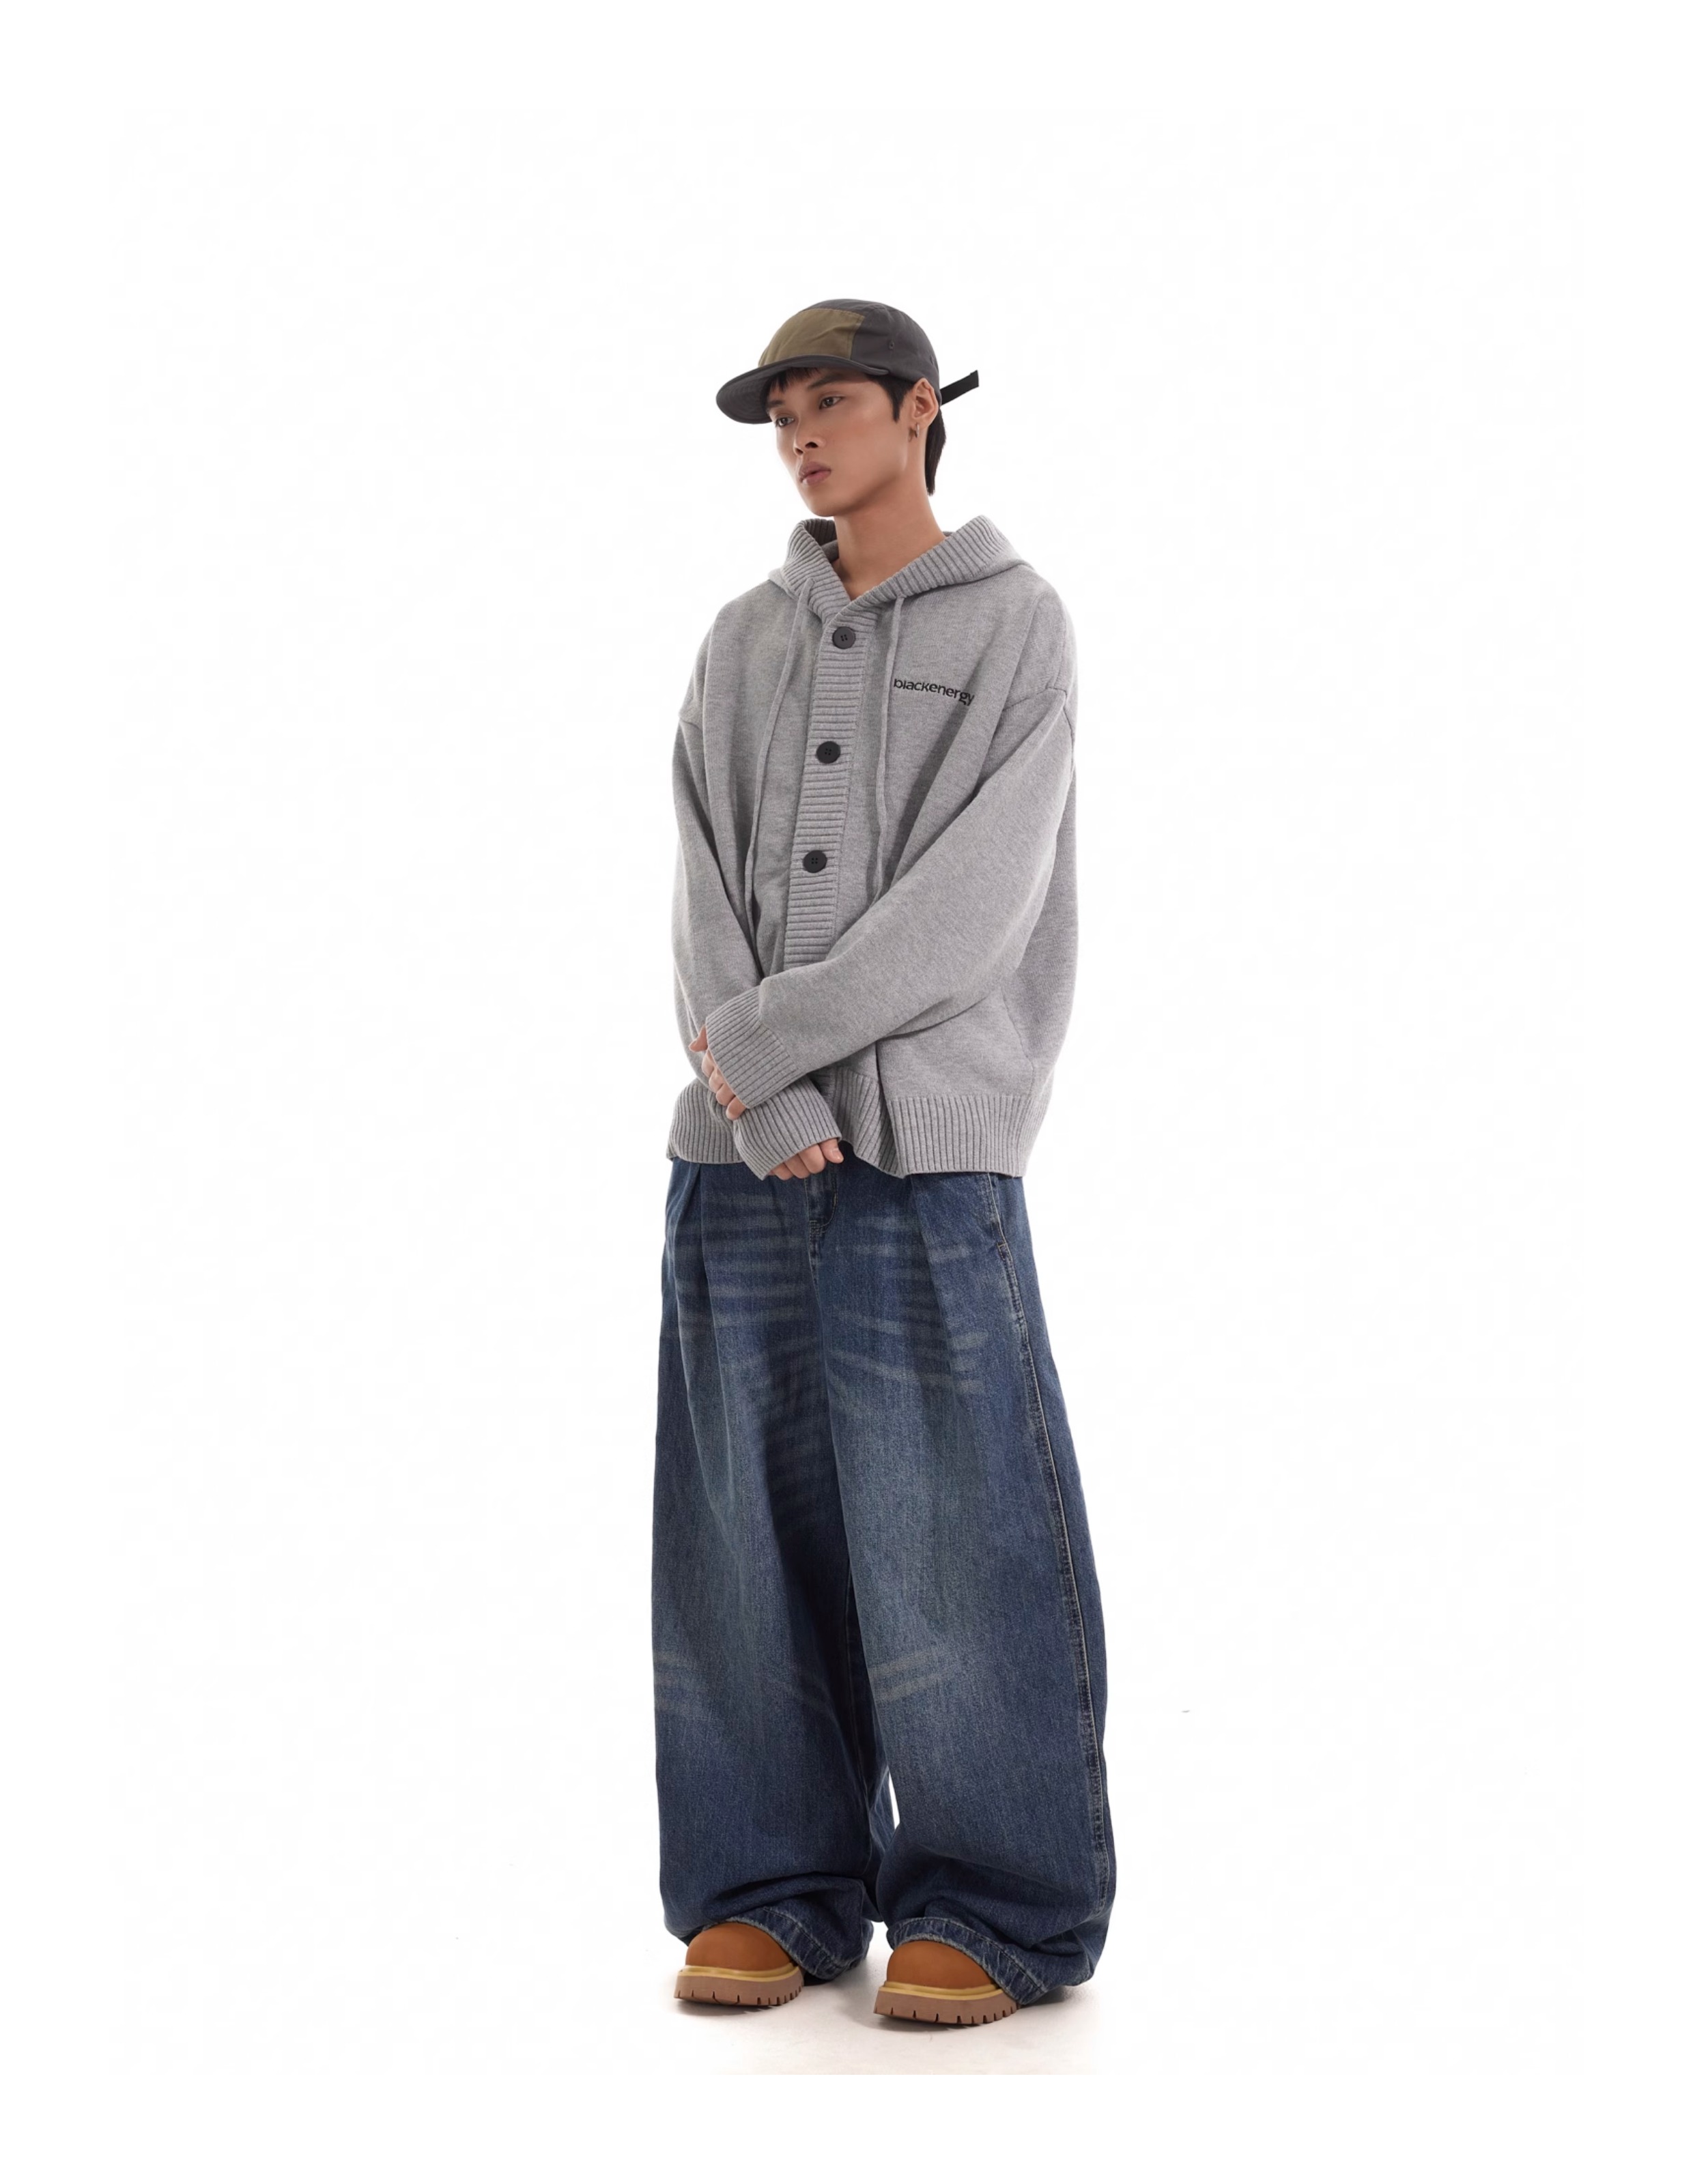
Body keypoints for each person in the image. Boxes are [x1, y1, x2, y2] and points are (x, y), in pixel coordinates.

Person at [654, 299, 1113, 2029]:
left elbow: (972, 908)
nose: (799, 433)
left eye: (832, 400)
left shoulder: (1016, 623)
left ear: (920, 409)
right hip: (735, 1160)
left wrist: (770, 1050)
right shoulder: (734, 640)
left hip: (929, 1153)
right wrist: (753, 1094)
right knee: (736, 1544)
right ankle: (769, 1885)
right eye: (780, 409)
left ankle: (998, 1903)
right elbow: (697, 890)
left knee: (959, 1534)